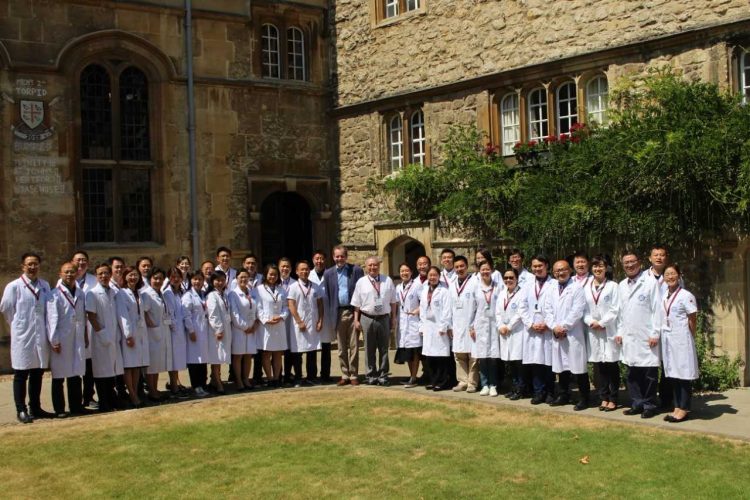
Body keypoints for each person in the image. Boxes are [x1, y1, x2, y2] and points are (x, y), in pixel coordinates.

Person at [1, 253, 52, 423]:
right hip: (23, 336)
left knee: (38, 373)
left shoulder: (44, 285)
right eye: (29, 264)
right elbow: (7, 309)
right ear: (22, 266)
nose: (32, 267)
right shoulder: (14, 287)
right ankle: (20, 409)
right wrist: (17, 325)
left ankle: (35, 407)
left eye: (35, 264)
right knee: (21, 374)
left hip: (40, 336)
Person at [616, 252, 661, 419]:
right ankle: (637, 403)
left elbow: (658, 310)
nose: (629, 265)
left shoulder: (650, 283)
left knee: (649, 374)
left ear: (639, 263)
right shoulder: (621, 285)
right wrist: (620, 332)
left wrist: (655, 333)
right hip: (629, 336)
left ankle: (649, 405)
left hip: (647, 336)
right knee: (632, 373)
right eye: (626, 263)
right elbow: (621, 313)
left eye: (632, 262)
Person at [545, 259, 590, 410]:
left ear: (570, 270)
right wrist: (554, 327)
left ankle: (584, 398)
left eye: (563, 269)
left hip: (572, 334)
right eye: (557, 271)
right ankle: (563, 395)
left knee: (578, 368)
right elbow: (547, 310)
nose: (560, 273)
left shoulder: (577, 288)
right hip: (557, 333)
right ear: (553, 272)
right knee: (561, 367)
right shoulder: (551, 289)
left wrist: (563, 327)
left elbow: (577, 311)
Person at [47, 261, 88, 417]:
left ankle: (76, 406)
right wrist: (54, 340)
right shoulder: (54, 294)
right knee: (59, 376)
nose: (70, 275)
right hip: (62, 339)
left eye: (72, 272)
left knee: (75, 374)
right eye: (66, 272)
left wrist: (84, 335)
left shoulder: (80, 293)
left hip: (76, 337)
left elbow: (83, 317)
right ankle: (59, 409)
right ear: (60, 274)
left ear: (77, 273)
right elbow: (51, 320)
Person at [660, 264, 699, 423]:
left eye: (673, 274)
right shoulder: (664, 295)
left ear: (679, 275)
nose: (670, 277)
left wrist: (690, 336)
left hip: (682, 338)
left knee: (683, 375)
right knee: (674, 374)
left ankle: (684, 408)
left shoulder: (686, 295)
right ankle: (677, 406)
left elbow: (692, 318)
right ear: (663, 278)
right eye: (667, 274)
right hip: (669, 339)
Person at [352, 256, 398, 386]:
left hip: (383, 318)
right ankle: (371, 375)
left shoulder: (387, 280)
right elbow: (356, 304)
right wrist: (356, 320)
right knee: (369, 348)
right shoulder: (361, 282)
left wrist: (393, 317)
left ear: (379, 266)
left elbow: (393, 301)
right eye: (370, 265)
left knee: (384, 348)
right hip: (367, 318)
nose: (373, 267)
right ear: (366, 267)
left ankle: (383, 375)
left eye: (375, 265)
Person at [584, 255, 621, 411]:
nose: (597, 269)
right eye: (595, 266)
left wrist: (602, 322)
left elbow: (615, 308)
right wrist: (590, 321)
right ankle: (603, 397)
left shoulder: (613, 286)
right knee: (599, 365)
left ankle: (613, 398)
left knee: (611, 365)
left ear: (606, 268)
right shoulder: (586, 287)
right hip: (593, 331)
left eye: (601, 266)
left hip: (608, 330)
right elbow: (583, 309)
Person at [85, 263, 124, 412]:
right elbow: (91, 316)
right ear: (96, 276)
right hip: (101, 337)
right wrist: (102, 334)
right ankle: (104, 402)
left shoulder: (113, 292)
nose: (104, 276)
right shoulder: (92, 293)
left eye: (106, 273)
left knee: (112, 370)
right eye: (100, 274)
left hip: (113, 336)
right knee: (101, 372)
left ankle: (112, 399)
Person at [323, 245, 364, 386]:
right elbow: (328, 294)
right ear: (333, 257)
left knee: (354, 346)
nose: (339, 259)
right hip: (338, 312)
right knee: (341, 347)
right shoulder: (328, 274)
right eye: (337, 256)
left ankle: (353, 375)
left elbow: (362, 291)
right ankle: (344, 374)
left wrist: (359, 314)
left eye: (342, 256)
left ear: (346, 257)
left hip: (353, 311)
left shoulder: (356, 270)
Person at [521, 254, 555, 405]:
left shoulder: (554, 284)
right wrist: (531, 324)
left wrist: (547, 324)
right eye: (534, 266)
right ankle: (538, 392)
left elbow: (557, 306)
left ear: (546, 266)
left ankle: (550, 392)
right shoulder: (527, 285)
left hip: (547, 329)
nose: (537, 269)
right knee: (535, 363)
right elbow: (522, 307)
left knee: (549, 363)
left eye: (540, 266)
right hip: (532, 330)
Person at [115, 266, 150, 408]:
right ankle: (132, 395)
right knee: (129, 366)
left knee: (137, 365)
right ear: (124, 277)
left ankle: (135, 392)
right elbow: (122, 315)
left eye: (135, 275)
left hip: (140, 332)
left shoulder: (139, 293)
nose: (133, 278)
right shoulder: (121, 294)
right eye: (130, 275)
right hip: (128, 334)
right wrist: (128, 335)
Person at [287, 260, 324, 387]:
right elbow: (291, 305)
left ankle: (311, 377)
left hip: (313, 322)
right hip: (299, 323)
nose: (304, 271)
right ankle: (298, 377)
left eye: (307, 269)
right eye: (301, 269)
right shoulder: (293, 287)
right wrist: (299, 321)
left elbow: (320, 304)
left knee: (312, 351)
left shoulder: (315, 286)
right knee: (298, 352)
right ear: (297, 272)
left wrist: (320, 320)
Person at [446, 255, 479, 392]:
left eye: (462, 266)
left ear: (467, 267)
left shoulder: (475, 282)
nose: (459, 269)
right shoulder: (452, 285)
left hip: (471, 324)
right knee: (459, 355)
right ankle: (462, 381)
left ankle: (472, 382)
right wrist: (449, 325)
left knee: (473, 355)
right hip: (457, 325)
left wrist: (475, 325)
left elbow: (479, 305)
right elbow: (449, 306)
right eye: (457, 267)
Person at [470, 260, 502, 396]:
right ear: (479, 271)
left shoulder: (498, 287)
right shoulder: (476, 288)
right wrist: (471, 326)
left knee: (493, 357)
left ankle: (493, 384)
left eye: (487, 269)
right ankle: (485, 385)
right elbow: (472, 309)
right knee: (482, 357)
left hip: (494, 325)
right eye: (482, 269)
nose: (485, 272)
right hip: (480, 325)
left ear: (492, 270)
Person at [141, 268, 173, 402]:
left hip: (161, 332)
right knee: (152, 365)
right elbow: (143, 311)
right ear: (150, 279)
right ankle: (152, 391)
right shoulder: (147, 294)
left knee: (158, 364)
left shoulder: (161, 293)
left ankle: (155, 389)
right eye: (155, 278)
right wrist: (151, 325)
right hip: (152, 334)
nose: (158, 281)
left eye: (160, 278)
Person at [418, 266, 452, 391]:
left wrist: (443, 326)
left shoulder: (444, 291)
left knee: (441, 357)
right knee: (430, 357)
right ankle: (433, 381)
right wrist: (421, 326)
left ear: (439, 276)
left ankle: (442, 381)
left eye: (435, 275)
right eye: (430, 275)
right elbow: (422, 309)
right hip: (428, 327)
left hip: (439, 327)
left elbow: (447, 310)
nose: (432, 277)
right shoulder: (424, 290)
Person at [496, 267, 527, 400]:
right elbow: (497, 312)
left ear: (517, 279)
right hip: (505, 333)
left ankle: (521, 389)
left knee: (518, 364)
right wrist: (501, 326)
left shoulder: (522, 294)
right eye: (506, 278)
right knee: (510, 363)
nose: (508, 280)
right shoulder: (502, 294)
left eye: (511, 277)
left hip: (517, 332)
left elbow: (520, 313)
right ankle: (514, 387)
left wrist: (508, 326)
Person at [72, 250, 98, 409]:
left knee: (89, 366)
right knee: (73, 365)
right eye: (78, 260)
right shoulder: (64, 281)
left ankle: (88, 396)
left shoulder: (94, 281)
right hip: (72, 330)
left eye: (84, 261)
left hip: (90, 327)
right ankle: (75, 401)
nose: (81, 263)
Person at [257, 264, 288, 387]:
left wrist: (281, 316)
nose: (273, 276)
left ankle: (276, 378)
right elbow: (258, 308)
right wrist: (266, 319)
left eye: (275, 274)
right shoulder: (259, 289)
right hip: (266, 326)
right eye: (270, 274)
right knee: (266, 353)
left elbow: (286, 306)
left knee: (278, 353)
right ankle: (269, 378)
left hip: (279, 324)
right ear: (265, 275)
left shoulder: (281, 290)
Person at [228, 269, 258, 391]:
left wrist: (254, 325)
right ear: (236, 279)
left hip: (251, 330)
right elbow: (234, 314)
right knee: (238, 356)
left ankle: (246, 379)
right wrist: (245, 327)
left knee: (248, 355)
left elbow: (255, 310)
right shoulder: (233, 294)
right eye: (241, 277)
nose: (244, 279)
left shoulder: (251, 292)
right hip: (239, 330)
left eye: (246, 277)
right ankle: (239, 381)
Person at [182, 272, 210, 397]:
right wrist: (191, 331)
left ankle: (203, 384)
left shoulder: (203, 295)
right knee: (194, 361)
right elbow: (186, 315)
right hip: (194, 332)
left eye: (200, 279)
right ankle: (196, 386)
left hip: (203, 332)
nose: (197, 282)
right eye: (195, 279)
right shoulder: (188, 296)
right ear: (190, 280)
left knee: (203, 360)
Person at [164, 267, 190, 398]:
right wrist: (176, 328)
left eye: (178, 277)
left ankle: (177, 383)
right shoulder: (167, 293)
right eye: (173, 277)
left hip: (180, 331)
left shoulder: (180, 292)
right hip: (173, 332)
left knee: (178, 359)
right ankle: (174, 387)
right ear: (169, 278)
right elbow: (170, 314)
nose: (175, 279)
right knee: (173, 361)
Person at [396, 263, 422, 388]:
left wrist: (417, 311)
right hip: (402, 322)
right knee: (407, 352)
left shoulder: (417, 286)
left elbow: (425, 302)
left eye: (406, 271)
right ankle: (412, 376)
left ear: (411, 272)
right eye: (402, 271)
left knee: (414, 351)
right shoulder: (398, 287)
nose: (404, 273)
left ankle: (414, 377)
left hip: (413, 321)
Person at [205, 270, 232, 394]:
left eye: (222, 280)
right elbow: (213, 315)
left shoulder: (224, 294)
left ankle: (215, 381)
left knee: (220, 357)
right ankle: (218, 383)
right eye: (217, 280)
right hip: (217, 331)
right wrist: (218, 329)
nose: (220, 282)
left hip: (225, 328)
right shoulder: (212, 296)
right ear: (212, 282)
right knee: (216, 358)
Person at [309, 250, 333, 383]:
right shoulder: (309, 274)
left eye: (322, 259)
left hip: (327, 315)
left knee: (326, 347)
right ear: (313, 260)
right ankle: (311, 375)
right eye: (317, 258)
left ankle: (325, 375)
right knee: (311, 347)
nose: (319, 261)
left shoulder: (330, 274)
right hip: (312, 315)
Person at [279, 257, 297, 384]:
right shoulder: (273, 282)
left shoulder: (295, 284)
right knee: (278, 348)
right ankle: (278, 373)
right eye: (282, 266)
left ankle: (288, 373)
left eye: (287, 266)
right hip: (278, 320)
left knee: (290, 349)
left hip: (291, 319)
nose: (285, 269)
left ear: (291, 269)